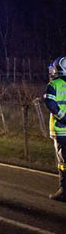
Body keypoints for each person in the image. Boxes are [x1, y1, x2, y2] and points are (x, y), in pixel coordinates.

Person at [43, 57, 66, 202]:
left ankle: (64, 191)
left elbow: (50, 103)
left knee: (63, 162)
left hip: (61, 131)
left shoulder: (54, 84)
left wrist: (63, 117)